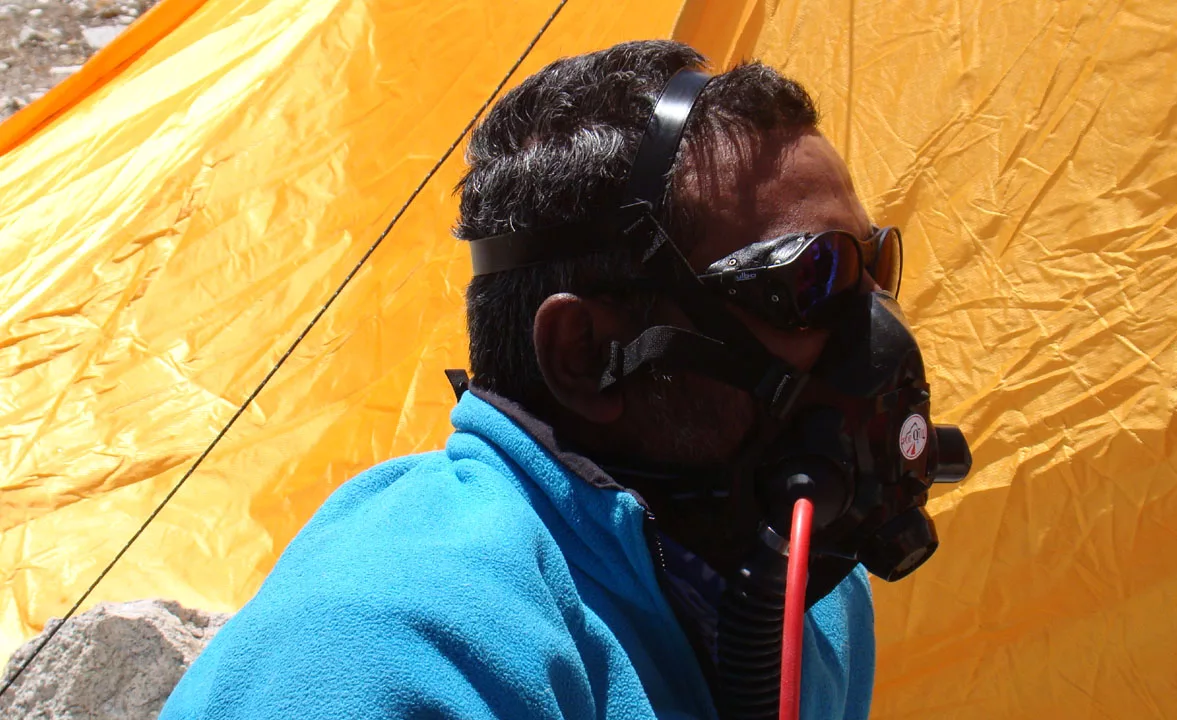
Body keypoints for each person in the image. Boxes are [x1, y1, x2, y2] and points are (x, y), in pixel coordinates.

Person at [161, 38, 943, 719]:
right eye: (810, 279)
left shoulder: (809, 591)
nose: (874, 328)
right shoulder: (386, 646)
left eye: (875, 266)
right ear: (582, 354)